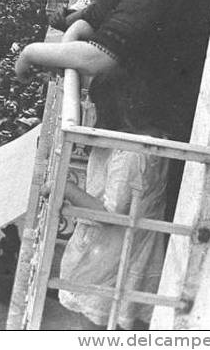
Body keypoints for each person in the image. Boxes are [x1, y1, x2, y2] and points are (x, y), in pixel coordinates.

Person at [14, 0, 210, 211]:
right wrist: (68, 48)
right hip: (141, 126)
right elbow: (89, 22)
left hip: (165, 132)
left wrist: (30, 53)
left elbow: (98, 57)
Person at [48, 98, 170, 330]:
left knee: (97, 321)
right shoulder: (148, 139)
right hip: (126, 248)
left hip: (112, 255)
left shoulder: (131, 153)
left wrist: (65, 186)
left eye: (92, 102)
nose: (86, 106)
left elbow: (110, 214)